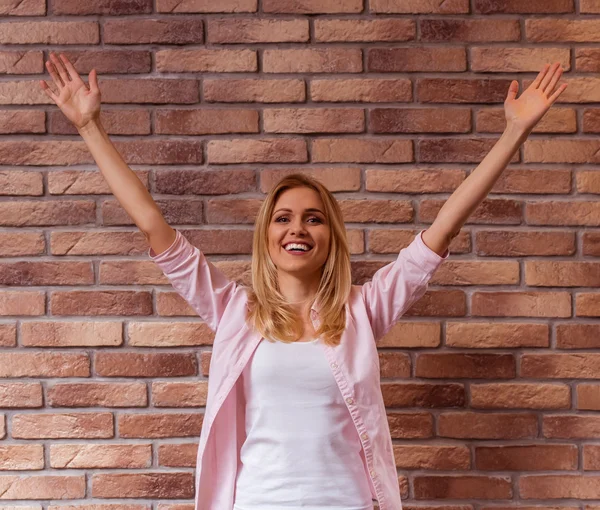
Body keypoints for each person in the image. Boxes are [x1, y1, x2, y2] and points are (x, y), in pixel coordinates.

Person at [40, 54, 567, 510]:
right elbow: (152, 224)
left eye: (314, 218)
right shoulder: (232, 312)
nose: (298, 228)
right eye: (284, 217)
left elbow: (442, 229)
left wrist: (514, 132)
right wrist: (90, 128)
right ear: (267, 235)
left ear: (330, 236)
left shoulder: (363, 310)